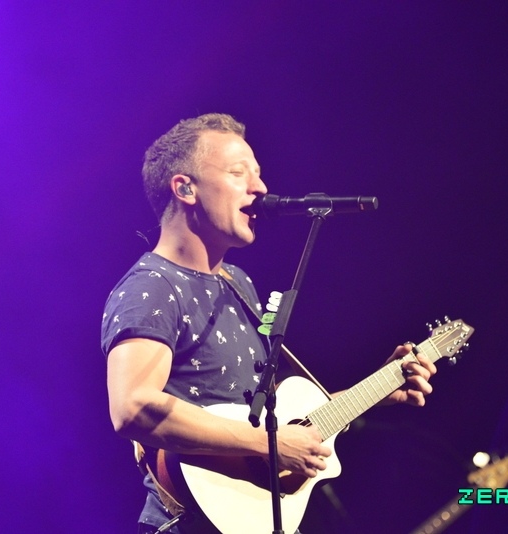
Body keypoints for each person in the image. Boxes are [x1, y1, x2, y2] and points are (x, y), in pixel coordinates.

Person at [101, 113, 437, 533]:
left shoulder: (237, 282)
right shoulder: (152, 286)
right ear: (185, 188)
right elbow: (132, 408)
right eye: (238, 173)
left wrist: (378, 388)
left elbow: (273, 420)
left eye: (258, 174)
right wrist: (269, 444)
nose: (260, 188)